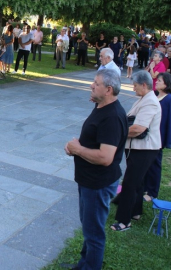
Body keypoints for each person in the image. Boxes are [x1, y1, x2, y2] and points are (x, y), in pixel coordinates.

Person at [65, 69, 128, 270]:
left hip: (97, 183)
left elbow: (105, 157)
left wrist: (78, 149)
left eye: (96, 83)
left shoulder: (111, 117)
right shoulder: (103, 106)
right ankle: (84, 264)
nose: (91, 85)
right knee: (88, 226)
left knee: (94, 233)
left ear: (108, 90)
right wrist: (78, 148)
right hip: (89, 180)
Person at [111, 71, 161, 231]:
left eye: (135, 85)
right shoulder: (144, 99)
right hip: (138, 148)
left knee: (130, 183)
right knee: (138, 182)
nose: (133, 89)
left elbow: (139, 128)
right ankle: (136, 212)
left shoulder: (150, 102)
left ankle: (124, 221)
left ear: (144, 85)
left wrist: (118, 134)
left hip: (144, 149)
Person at [143, 72, 171, 202]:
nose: (156, 82)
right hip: (149, 136)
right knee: (147, 164)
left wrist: (166, 141)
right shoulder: (156, 96)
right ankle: (145, 187)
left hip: (159, 138)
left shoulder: (169, 99)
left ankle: (152, 193)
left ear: (167, 84)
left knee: (154, 165)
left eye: (160, 81)